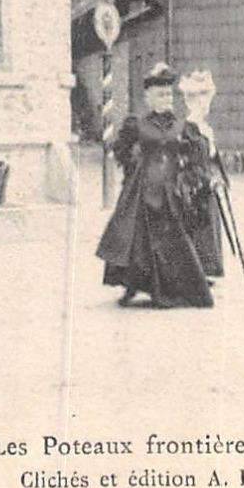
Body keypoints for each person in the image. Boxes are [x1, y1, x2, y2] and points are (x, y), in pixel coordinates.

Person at [95, 63, 214, 309]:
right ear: (148, 98)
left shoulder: (182, 127)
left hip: (171, 189)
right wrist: (132, 170)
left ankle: (172, 287)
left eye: (169, 94)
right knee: (139, 240)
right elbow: (121, 149)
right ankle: (132, 286)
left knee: (173, 238)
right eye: (160, 94)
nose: (166, 99)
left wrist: (191, 174)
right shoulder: (137, 124)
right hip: (142, 188)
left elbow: (195, 154)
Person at [179, 70, 227, 281]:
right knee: (197, 226)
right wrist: (206, 180)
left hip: (208, 185)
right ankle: (194, 272)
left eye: (206, 98)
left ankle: (207, 270)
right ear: (190, 101)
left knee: (210, 227)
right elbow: (189, 161)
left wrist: (219, 178)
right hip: (194, 185)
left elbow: (213, 159)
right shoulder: (187, 129)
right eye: (200, 98)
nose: (204, 103)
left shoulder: (206, 129)